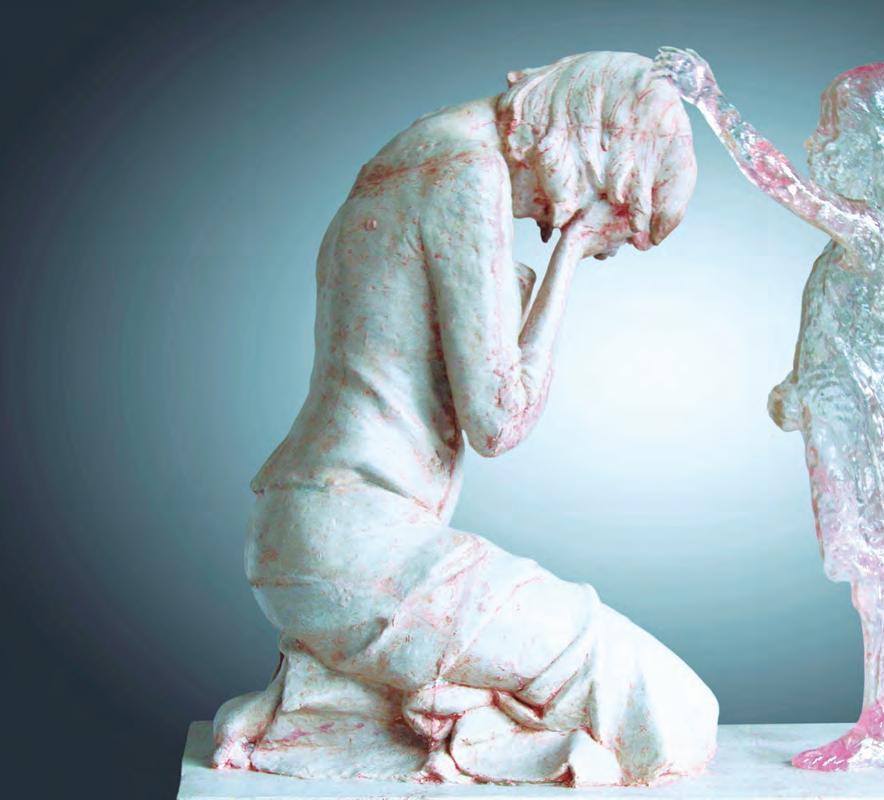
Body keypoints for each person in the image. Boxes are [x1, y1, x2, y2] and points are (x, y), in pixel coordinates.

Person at [210, 51, 717, 786]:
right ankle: (442, 726)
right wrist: (572, 252)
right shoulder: (463, 171)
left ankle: (336, 703)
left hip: (318, 531)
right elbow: (500, 421)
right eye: (607, 212)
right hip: (354, 546)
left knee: (568, 688)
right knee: (668, 709)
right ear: (597, 154)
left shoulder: (424, 149)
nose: (546, 220)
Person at [655, 47, 884, 771]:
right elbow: (846, 343)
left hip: (871, 453)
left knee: (877, 595)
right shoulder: (853, 248)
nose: (815, 142)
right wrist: (799, 386)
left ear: (878, 152)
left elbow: (781, 182)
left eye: (833, 131)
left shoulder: (870, 236)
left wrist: (712, 101)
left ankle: (876, 731)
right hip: (853, 440)